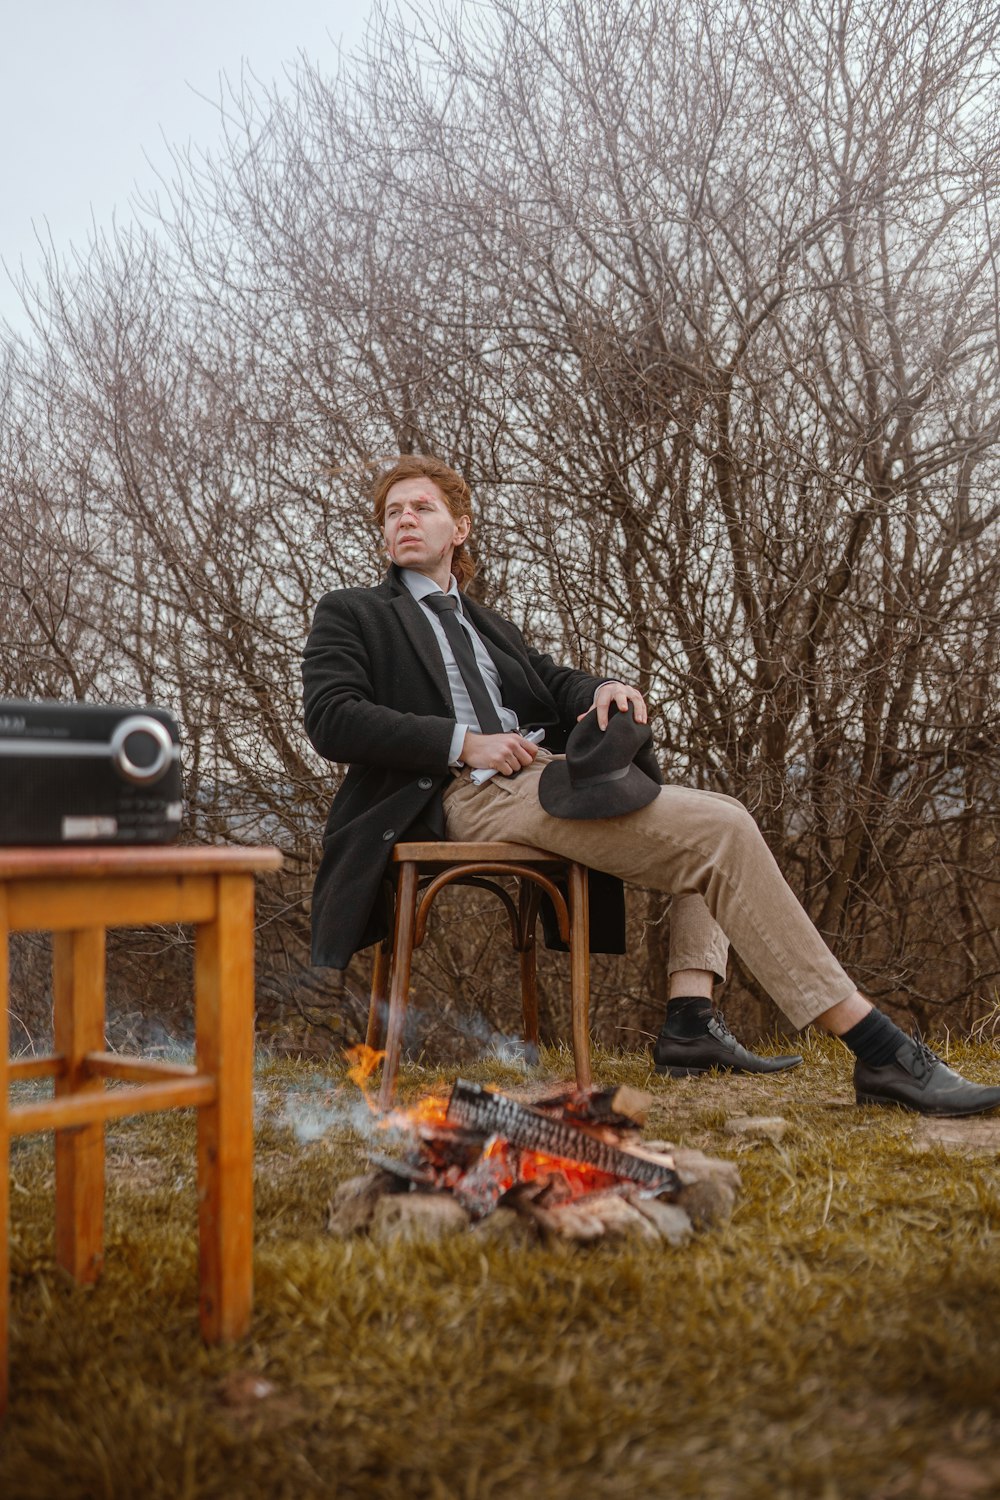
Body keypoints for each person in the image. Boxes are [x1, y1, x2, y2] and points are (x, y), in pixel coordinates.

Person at [302, 454, 1000, 1117]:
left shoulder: (488, 623)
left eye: (422, 506)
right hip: (455, 792)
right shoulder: (353, 611)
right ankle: (879, 1051)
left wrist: (605, 687)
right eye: (392, 511)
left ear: (461, 528)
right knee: (718, 833)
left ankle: (690, 1022)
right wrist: (463, 741)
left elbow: (553, 683)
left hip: (538, 776)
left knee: (719, 814)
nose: (403, 519)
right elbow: (332, 718)